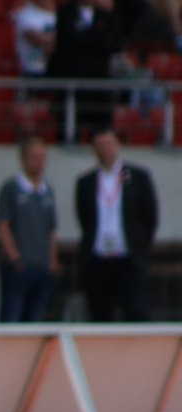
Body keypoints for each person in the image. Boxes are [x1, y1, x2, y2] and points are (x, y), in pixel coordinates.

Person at [75, 127, 158, 321]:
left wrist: (140, 246)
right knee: (100, 315)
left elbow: (150, 217)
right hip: (98, 258)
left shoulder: (138, 177)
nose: (105, 150)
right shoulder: (85, 182)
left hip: (128, 258)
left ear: (117, 145)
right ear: (93, 149)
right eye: (100, 145)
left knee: (137, 312)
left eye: (108, 144)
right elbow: (84, 218)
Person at [49, 0, 125, 134]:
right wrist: (97, 37)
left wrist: (86, 38)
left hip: (99, 85)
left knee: (102, 133)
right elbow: (70, 42)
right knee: (68, 132)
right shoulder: (63, 13)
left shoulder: (107, 16)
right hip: (72, 84)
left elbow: (114, 45)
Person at [0, 135, 59, 322]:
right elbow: (2, 224)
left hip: (42, 266)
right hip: (20, 266)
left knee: (34, 320)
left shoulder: (47, 191)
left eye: (42, 156)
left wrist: (52, 262)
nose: (38, 161)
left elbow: (51, 229)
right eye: (33, 156)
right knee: (12, 319)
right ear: (22, 159)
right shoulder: (11, 188)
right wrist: (15, 258)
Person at [14, 0, 57, 77]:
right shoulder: (24, 15)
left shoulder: (63, 13)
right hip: (33, 72)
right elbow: (37, 38)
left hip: (58, 71)